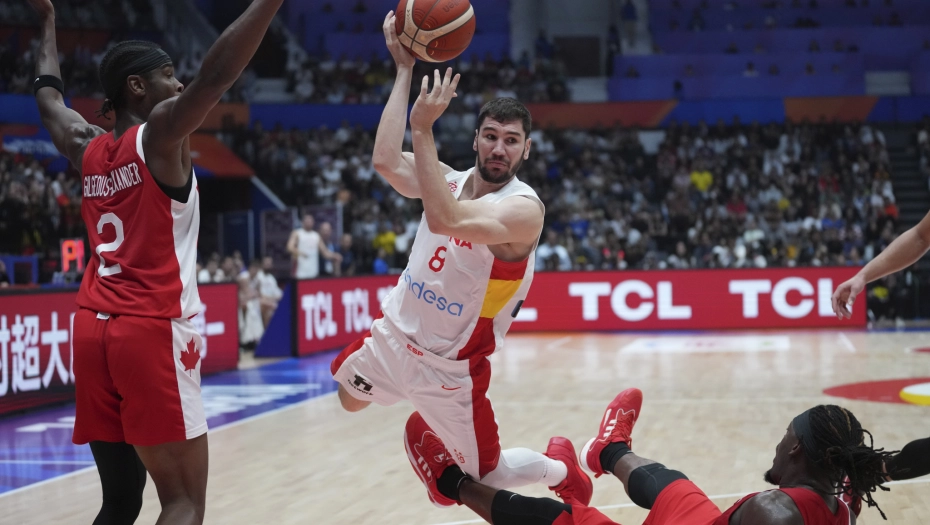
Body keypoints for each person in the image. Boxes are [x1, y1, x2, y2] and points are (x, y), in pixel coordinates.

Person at [27, 0, 283, 523]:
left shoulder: (85, 147)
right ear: (136, 87)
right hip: (150, 331)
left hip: (92, 330)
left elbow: (48, 97)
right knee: (183, 501)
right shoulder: (161, 133)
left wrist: (47, 20)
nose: (180, 85)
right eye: (168, 75)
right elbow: (217, 76)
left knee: (120, 501)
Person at [330, 10, 587, 508]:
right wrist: (404, 71)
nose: (499, 148)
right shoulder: (444, 178)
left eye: (511, 141)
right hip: (393, 339)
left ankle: (560, 466)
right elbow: (385, 160)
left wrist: (422, 128)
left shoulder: (523, 210)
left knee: (487, 478)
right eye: (491, 135)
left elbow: (446, 219)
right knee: (348, 399)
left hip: (449, 369)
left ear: (527, 150)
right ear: (475, 140)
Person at [406, 387, 894, 525]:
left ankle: (451, 483)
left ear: (796, 447)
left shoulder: (773, 512)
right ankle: (608, 450)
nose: (778, 444)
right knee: (675, 486)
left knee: (563, 520)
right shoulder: (842, 501)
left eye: (785, 436)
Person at [287, 214, 341, 279]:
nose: (309, 223)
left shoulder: (316, 236)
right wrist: (300, 253)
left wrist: (335, 256)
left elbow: (325, 252)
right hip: (300, 269)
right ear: (303, 222)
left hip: (313, 270)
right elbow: (290, 247)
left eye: (310, 221)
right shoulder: (297, 233)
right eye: (307, 221)